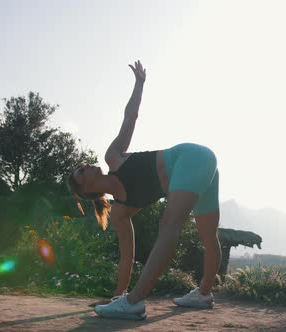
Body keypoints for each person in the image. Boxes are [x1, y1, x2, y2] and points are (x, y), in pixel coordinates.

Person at [67, 60, 221, 320]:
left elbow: (130, 117)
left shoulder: (113, 157)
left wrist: (139, 83)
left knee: (170, 221)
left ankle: (135, 302)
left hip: (190, 157)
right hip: (202, 167)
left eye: (82, 166)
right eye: (80, 172)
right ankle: (203, 294)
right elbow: (127, 256)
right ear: (85, 190)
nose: (85, 166)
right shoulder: (120, 210)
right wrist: (118, 293)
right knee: (208, 234)